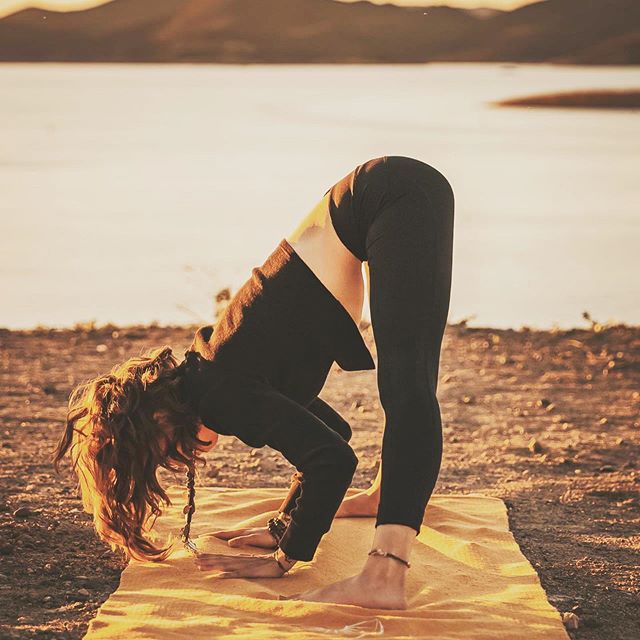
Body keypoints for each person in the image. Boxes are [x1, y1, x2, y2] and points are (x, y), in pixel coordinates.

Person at [53, 155, 455, 609]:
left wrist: (286, 557)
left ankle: (384, 576)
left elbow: (334, 460)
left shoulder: (221, 393)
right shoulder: (213, 372)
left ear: (162, 416)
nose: (181, 461)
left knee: (408, 388)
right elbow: (332, 438)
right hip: (380, 193)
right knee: (406, 382)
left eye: (164, 453)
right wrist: (286, 523)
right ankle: (387, 495)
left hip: (395, 194)